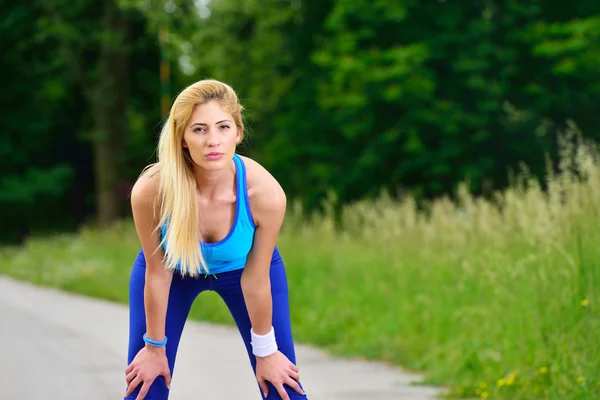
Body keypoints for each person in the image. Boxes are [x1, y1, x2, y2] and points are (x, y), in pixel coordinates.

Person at [123, 79, 308, 400]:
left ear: (238, 132)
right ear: (182, 138)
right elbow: (157, 273)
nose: (213, 141)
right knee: (145, 387)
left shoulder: (265, 194)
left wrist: (265, 351)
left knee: (283, 387)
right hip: (171, 273)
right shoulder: (152, 191)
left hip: (246, 272)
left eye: (223, 127)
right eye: (199, 129)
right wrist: (154, 347)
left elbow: (256, 279)